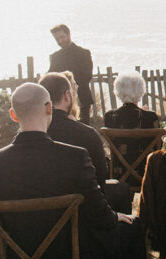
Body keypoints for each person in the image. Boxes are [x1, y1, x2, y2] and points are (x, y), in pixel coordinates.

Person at [0, 83, 151, 259]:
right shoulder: (74, 157)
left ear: (13, 114)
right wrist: (115, 217)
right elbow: (99, 216)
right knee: (132, 226)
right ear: (49, 108)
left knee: (48, 239)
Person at [38, 72, 132, 213]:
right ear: (66, 96)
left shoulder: (35, 135)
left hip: (44, 214)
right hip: (84, 214)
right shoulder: (87, 134)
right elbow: (101, 177)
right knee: (122, 191)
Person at [103, 71, 161, 182]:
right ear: (140, 91)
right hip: (146, 173)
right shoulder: (151, 117)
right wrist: (145, 114)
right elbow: (158, 146)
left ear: (118, 91)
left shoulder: (110, 117)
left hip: (118, 173)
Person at [49, 24, 94, 124]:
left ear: (68, 34)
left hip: (81, 98)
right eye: (57, 39)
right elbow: (50, 78)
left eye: (62, 37)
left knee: (83, 132)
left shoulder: (84, 53)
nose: (60, 41)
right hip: (61, 102)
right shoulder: (55, 57)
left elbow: (87, 76)